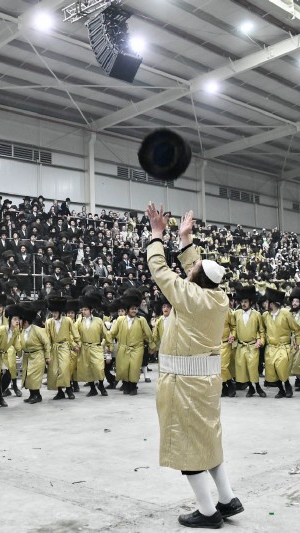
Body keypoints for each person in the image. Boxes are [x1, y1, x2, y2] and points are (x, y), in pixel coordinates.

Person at [145, 204, 242, 529]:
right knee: (208, 441)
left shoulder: (188, 296)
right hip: (207, 382)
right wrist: (186, 240)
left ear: (193, 279)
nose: (191, 267)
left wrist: (157, 235)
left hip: (183, 383)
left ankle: (208, 512)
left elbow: (159, 269)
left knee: (187, 447)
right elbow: (198, 271)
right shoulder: (218, 298)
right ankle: (227, 499)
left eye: (193, 267)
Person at [106, 288, 152, 396]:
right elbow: (111, 333)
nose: (134, 311)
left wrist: (152, 346)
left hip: (137, 348)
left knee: (134, 368)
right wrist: (108, 345)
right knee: (123, 368)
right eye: (132, 309)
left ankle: (133, 386)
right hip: (123, 347)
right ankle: (126, 385)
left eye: (135, 309)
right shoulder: (120, 320)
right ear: (127, 310)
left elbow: (148, 334)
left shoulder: (141, 320)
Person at [261, 288, 300, 399]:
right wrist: (262, 340)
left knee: (282, 367)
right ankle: (281, 389)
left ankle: (287, 386)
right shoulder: (265, 315)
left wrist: (298, 342)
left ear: (272, 303)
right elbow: (262, 330)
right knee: (273, 369)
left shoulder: (286, 313)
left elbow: (296, 329)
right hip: (270, 347)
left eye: (266, 302)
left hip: (283, 346)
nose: (265, 304)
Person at [230, 286, 265, 398]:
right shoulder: (236, 313)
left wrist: (260, 340)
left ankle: (258, 387)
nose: (243, 304)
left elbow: (261, 330)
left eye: (245, 302)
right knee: (243, 368)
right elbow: (234, 328)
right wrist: (232, 335)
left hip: (253, 346)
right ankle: (250, 388)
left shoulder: (257, 314)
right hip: (241, 346)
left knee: (253, 367)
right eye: (242, 302)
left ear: (251, 302)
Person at [45, 296, 81, 400]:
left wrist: (77, 344)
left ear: (60, 312)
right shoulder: (49, 322)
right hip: (54, 347)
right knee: (55, 371)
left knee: (64, 369)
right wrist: (47, 353)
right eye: (53, 312)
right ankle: (60, 392)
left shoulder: (68, 320)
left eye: (56, 312)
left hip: (64, 346)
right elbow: (47, 338)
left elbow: (75, 333)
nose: (54, 314)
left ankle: (69, 389)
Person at [0, 304, 22, 408]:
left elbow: (16, 343)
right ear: (9, 320)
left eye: (18, 319)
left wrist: (20, 352)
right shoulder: (1, 329)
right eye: (15, 319)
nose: (17, 321)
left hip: (2, 355)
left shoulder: (15, 331)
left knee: (7, 376)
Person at [76, 292, 110, 397]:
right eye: (82, 310)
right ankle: (92, 388)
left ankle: (101, 386)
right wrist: (76, 344)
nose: (84, 312)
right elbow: (73, 333)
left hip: (96, 346)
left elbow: (106, 334)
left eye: (86, 310)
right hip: (84, 348)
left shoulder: (98, 320)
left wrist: (108, 346)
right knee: (88, 369)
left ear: (91, 310)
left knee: (99, 368)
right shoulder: (79, 321)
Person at [18, 301, 51, 404]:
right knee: (28, 376)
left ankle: (37, 395)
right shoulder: (22, 331)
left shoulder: (37, 330)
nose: (18, 322)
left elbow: (46, 343)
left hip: (37, 356)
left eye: (20, 320)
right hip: (27, 356)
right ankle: (32, 395)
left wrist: (47, 356)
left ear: (26, 321)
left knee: (34, 376)